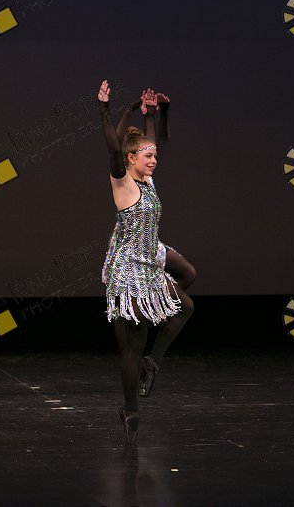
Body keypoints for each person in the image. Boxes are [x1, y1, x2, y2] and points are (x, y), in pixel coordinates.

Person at [98, 80, 195, 444]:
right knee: (132, 345)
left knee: (185, 305)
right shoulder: (123, 185)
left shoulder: (149, 180)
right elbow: (113, 146)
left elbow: (156, 142)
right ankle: (130, 410)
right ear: (130, 159)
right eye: (147, 157)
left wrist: (153, 113)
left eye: (154, 157)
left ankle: (151, 364)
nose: (154, 160)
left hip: (151, 257)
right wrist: (106, 109)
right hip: (128, 269)